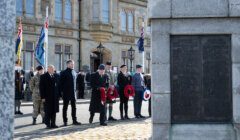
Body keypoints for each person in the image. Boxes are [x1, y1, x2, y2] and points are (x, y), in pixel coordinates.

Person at [60, 60, 81, 126]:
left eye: (73, 64)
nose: (73, 65)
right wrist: (61, 93)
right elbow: (60, 84)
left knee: (74, 107)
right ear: (68, 64)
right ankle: (65, 121)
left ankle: (74, 120)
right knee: (65, 107)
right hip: (66, 93)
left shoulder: (74, 72)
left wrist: (76, 90)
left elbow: (76, 83)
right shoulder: (63, 72)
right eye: (71, 64)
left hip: (73, 93)